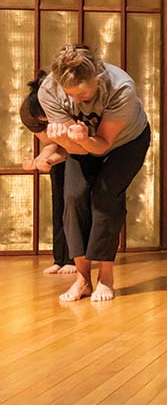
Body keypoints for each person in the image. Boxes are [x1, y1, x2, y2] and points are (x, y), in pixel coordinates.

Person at [38, 44, 151, 302]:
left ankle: (106, 278)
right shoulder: (49, 90)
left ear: (97, 80)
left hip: (126, 143)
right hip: (82, 143)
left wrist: (83, 140)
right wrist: (65, 141)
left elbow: (100, 146)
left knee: (105, 197)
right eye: (71, 95)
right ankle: (83, 279)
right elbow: (72, 148)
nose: (77, 101)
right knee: (73, 197)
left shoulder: (121, 88)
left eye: (84, 94)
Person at [20, 70, 75, 275]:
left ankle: (74, 258)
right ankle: (59, 258)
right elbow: (50, 142)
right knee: (58, 202)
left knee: (75, 201)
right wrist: (41, 160)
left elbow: (73, 145)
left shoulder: (67, 103)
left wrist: (48, 159)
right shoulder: (28, 112)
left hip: (83, 147)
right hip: (61, 151)